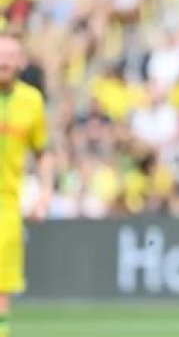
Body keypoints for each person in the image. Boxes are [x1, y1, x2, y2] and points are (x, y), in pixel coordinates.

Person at [0, 31, 54, 337]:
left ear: (21, 62)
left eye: (10, 56)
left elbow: (43, 152)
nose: (3, 62)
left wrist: (44, 193)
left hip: (6, 206)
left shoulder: (31, 101)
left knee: (1, 292)